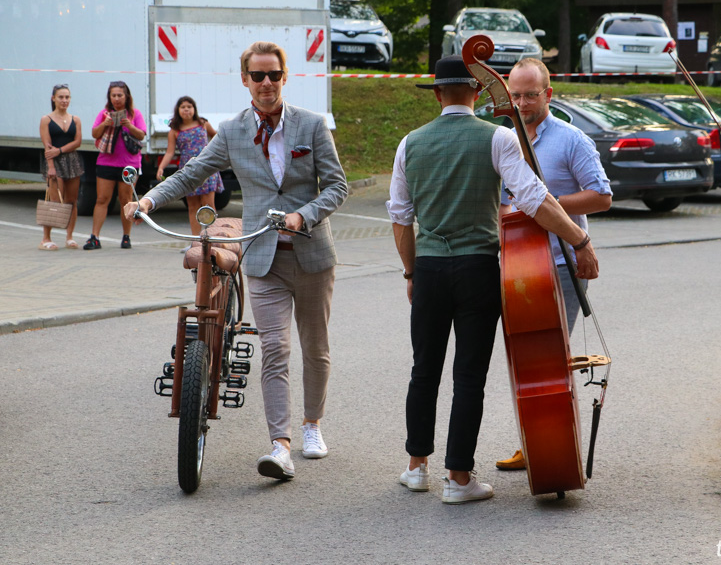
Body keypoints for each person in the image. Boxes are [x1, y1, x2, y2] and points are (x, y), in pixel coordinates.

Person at [124, 41, 348, 481]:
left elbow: (337, 186)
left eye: (274, 75)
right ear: (245, 80)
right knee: (276, 349)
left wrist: (305, 215)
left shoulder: (312, 125)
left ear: (285, 77)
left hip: (312, 255)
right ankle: (280, 446)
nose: (266, 83)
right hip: (263, 257)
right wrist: (149, 199)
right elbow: (192, 173)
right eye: (258, 76)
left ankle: (312, 424)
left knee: (315, 349)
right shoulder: (231, 131)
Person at [387, 55, 599, 503]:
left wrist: (411, 271)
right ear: (479, 93)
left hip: (428, 267)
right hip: (477, 267)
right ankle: (458, 478)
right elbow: (534, 199)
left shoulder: (410, 143)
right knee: (468, 375)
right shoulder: (499, 137)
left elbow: (401, 220)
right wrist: (578, 240)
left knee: (423, 370)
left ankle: (416, 467)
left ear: (439, 95)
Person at [494, 58, 612, 471]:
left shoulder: (571, 139)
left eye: (530, 95)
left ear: (548, 94)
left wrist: (545, 206)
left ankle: (552, 444)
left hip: (559, 263)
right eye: (515, 95)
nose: (522, 103)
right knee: (525, 360)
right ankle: (533, 440)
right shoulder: (504, 139)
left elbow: (601, 196)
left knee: (551, 360)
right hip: (515, 264)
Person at [156, 96, 224, 252]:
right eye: (183, 107)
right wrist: (161, 167)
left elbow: (217, 137)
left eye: (189, 106)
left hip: (208, 169)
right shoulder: (174, 130)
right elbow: (170, 152)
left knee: (209, 206)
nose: (186, 109)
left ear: (194, 109)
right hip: (188, 171)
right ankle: (196, 242)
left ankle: (212, 239)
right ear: (178, 110)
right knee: (193, 206)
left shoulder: (203, 124)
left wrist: (217, 154)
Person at [85, 81, 146, 250]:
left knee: (126, 200)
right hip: (106, 162)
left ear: (127, 96)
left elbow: (141, 135)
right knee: (102, 199)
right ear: (109, 97)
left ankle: (126, 237)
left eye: (120, 95)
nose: (117, 99)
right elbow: (94, 133)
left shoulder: (135, 114)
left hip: (129, 164)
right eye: (114, 95)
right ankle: (94, 237)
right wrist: (105, 124)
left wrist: (129, 125)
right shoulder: (104, 114)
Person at [38, 84, 83, 250]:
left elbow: (78, 141)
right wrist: (51, 167)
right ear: (53, 98)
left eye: (67, 97)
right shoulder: (46, 120)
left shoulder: (75, 119)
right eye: (61, 97)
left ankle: (70, 237)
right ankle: (45, 238)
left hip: (72, 161)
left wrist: (61, 150)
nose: (64, 100)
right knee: (54, 201)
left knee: (72, 201)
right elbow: (47, 147)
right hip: (54, 164)